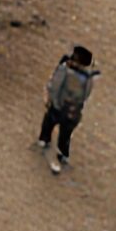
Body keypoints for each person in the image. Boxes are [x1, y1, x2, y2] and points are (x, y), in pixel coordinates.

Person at [34, 45, 96, 174]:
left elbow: (55, 86)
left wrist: (53, 100)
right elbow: (86, 94)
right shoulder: (88, 77)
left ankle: (44, 140)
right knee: (66, 133)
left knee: (49, 122)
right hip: (73, 110)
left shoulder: (64, 70)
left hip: (59, 105)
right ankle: (63, 153)